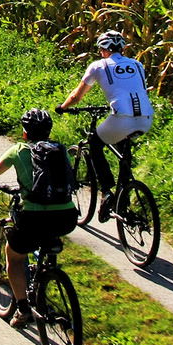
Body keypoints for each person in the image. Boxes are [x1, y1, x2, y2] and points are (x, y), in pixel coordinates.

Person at [0, 108, 79, 327]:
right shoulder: (61, 150)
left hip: (35, 218)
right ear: (49, 132)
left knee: (14, 255)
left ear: (24, 133)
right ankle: (48, 274)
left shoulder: (18, 150)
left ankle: (22, 310)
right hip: (67, 216)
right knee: (46, 238)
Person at [56, 30, 153, 223]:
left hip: (121, 117)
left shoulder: (98, 66)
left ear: (104, 49)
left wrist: (63, 107)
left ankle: (107, 191)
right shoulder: (138, 64)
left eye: (100, 49)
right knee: (123, 146)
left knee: (95, 143)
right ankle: (123, 194)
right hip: (146, 118)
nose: (100, 52)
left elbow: (77, 95)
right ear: (122, 48)